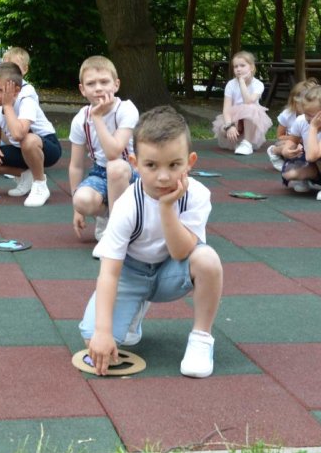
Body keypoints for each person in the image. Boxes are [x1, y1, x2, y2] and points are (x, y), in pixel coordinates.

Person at [79, 106, 222, 378]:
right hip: (130, 273)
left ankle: (201, 338)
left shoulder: (197, 195)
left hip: (170, 271)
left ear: (190, 161)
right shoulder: (128, 205)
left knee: (207, 259)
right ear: (135, 163)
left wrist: (167, 207)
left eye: (174, 165)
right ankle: (134, 310)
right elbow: (109, 273)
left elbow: (181, 251)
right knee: (94, 341)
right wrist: (103, 331)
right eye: (152, 165)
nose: (164, 176)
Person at [0, 61, 62, 207]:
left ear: (16, 90)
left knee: (28, 140)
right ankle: (25, 175)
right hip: (20, 150)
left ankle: (40, 185)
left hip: (47, 148)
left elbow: (18, 135)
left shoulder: (26, 102)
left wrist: (7, 106)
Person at [68, 55, 138, 240]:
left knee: (116, 167)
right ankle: (108, 216)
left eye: (104, 82)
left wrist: (97, 118)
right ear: (82, 90)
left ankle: (117, 230)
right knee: (81, 199)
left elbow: (114, 153)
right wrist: (77, 210)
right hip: (100, 173)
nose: (98, 88)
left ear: (116, 85)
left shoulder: (126, 109)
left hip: (129, 172)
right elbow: (76, 166)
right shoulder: (80, 120)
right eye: (91, 84)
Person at [211, 50, 272, 155]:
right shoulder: (231, 84)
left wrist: (242, 82)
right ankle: (238, 140)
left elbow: (248, 101)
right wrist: (229, 126)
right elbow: (226, 109)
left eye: (242, 65)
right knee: (223, 129)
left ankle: (247, 143)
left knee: (250, 108)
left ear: (251, 67)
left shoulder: (258, 84)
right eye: (236, 66)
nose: (238, 69)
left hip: (251, 122)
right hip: (235, 121)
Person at [266, 78, 317, 172]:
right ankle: (274, 151)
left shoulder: (314, 116)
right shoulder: (287, 115)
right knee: (293, 146)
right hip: (288, 142)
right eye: (302, 105)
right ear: (294, 102)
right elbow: (280, 136)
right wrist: (295, 139)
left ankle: (298, 163)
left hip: (305, 143)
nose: (306, 109)